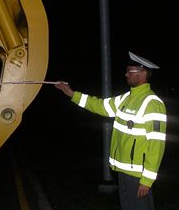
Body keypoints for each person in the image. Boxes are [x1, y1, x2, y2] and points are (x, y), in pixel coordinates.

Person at [54, 51, 167, 210]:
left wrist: (147, 180)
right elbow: (100, 106)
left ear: (142, 73)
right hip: (123, 171)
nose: (126, 74)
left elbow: (157, 145)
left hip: (138, 176)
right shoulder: (126, 98)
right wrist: (72, 94)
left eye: (130, 71)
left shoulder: (152, 103)